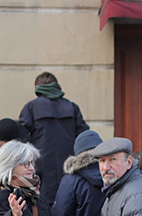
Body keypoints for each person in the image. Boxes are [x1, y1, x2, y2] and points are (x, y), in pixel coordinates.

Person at [19, 72, 89, 204]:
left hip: (40, 168)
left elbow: (21, 137)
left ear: (37, 88)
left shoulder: (31, 107)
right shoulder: (72, 107)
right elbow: (84, 136)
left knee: (42, 208)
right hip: (69, 167)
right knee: (68, 204)